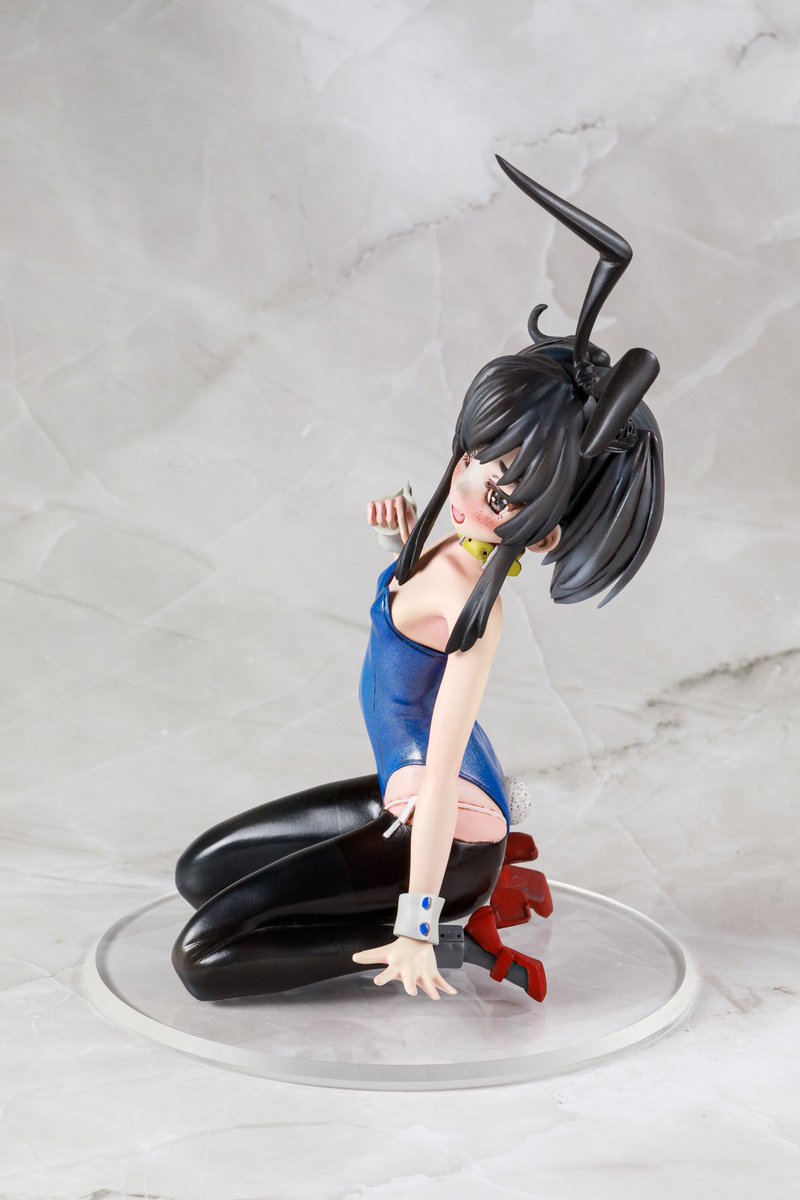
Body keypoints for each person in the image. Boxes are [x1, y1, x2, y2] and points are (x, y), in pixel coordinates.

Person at [171, 157, 664, 1004]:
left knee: (204, 961)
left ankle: (450, 936)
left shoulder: (478, 613)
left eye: (502, 493)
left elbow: (438, 781)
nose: (469, 486)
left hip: (444, 822)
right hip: (399, 788)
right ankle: (417, 903)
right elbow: (416, 616)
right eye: (476, 457)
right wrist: (403, 540)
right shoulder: (451, 549)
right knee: (199, 871)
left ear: (544, 531)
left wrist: (418, 922)